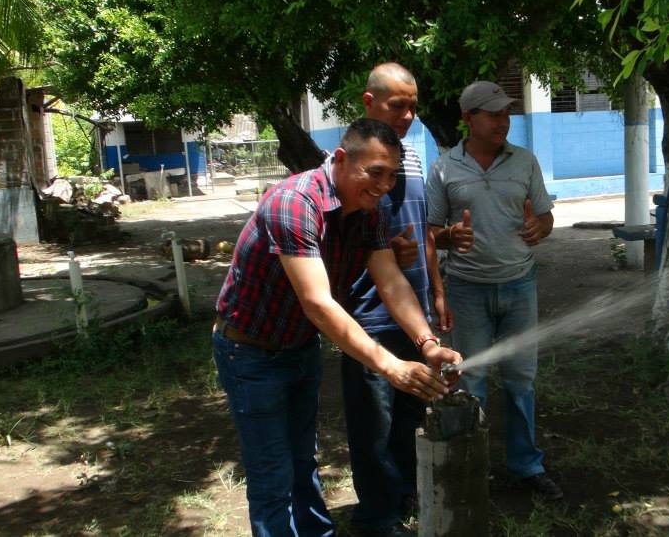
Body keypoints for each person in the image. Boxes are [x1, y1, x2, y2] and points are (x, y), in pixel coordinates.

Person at [213, 117, 462, 537]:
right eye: (375, 172)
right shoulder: (294, 202)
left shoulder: (368, 211)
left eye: (391, 176)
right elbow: (317, 302)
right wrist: (390, 365)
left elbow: (391, 280)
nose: (384, 186)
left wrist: (427, 343)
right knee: (272, 470)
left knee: (302, 459)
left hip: (299, 348)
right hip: (250, 352)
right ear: (342, 159)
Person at [340, 63, 467, 537]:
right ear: (369, 102)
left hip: (414, 310)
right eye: (398, 106)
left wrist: (436, 291)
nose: (409, 115)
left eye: (413, 106)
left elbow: (424, 230)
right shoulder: (355, 162)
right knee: (374, 421)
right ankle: (377, 518)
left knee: (411, 410)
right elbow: (345, 241)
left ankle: (405, 492)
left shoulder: (412, 156)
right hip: (369, 313)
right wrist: (385, 252)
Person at [425, 80, 562, 500]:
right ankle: (473, 467)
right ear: (468, 119)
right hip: (467, 290)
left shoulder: (525, 162)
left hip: (520, 286)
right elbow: (430, 233)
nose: (503, 121)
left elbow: (545, 217)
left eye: (506, 113)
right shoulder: (444, 168)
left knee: (522, 380)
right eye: (493, 114)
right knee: (471, 381)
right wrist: (448, 239)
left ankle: (526, 465)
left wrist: (542, 226)